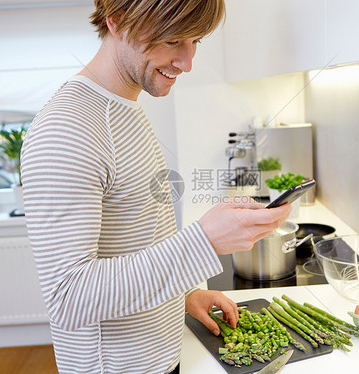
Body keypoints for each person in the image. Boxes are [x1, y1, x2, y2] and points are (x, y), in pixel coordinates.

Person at [20, 1, 292, 373]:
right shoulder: (67, 130)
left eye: (196, 40)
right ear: (117, 21)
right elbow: (69, 298)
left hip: (161, 357)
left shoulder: (124, 107)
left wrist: (185, 294)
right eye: (173, 39)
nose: (186, 61)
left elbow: (136, 241)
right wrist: (204, 242)